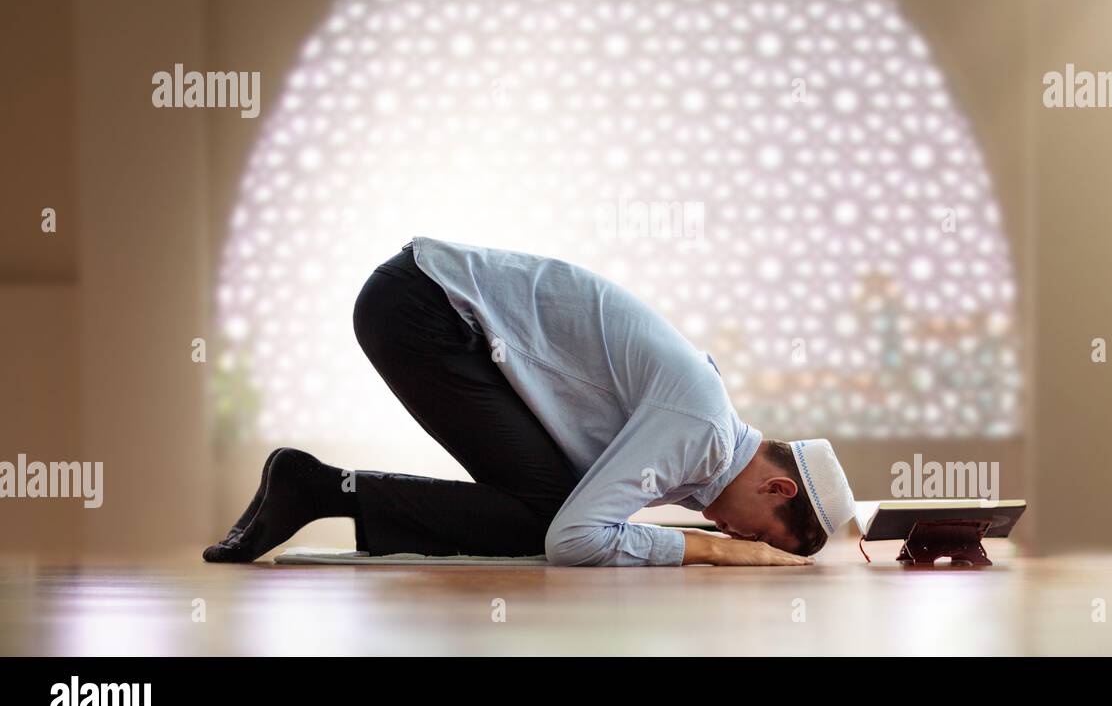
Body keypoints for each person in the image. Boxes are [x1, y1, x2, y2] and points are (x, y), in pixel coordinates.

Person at [203, 237, 856, 566]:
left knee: (544, 512)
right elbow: (575, 540)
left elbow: (578, 529)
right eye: (756, 534)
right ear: (777, 490)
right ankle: (313, 489)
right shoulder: (700, 429)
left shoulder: (702, 450)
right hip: (421, 306)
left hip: (417, 303)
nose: (736, 536)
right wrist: (713, 552)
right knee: (552, 518)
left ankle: (315, 488)